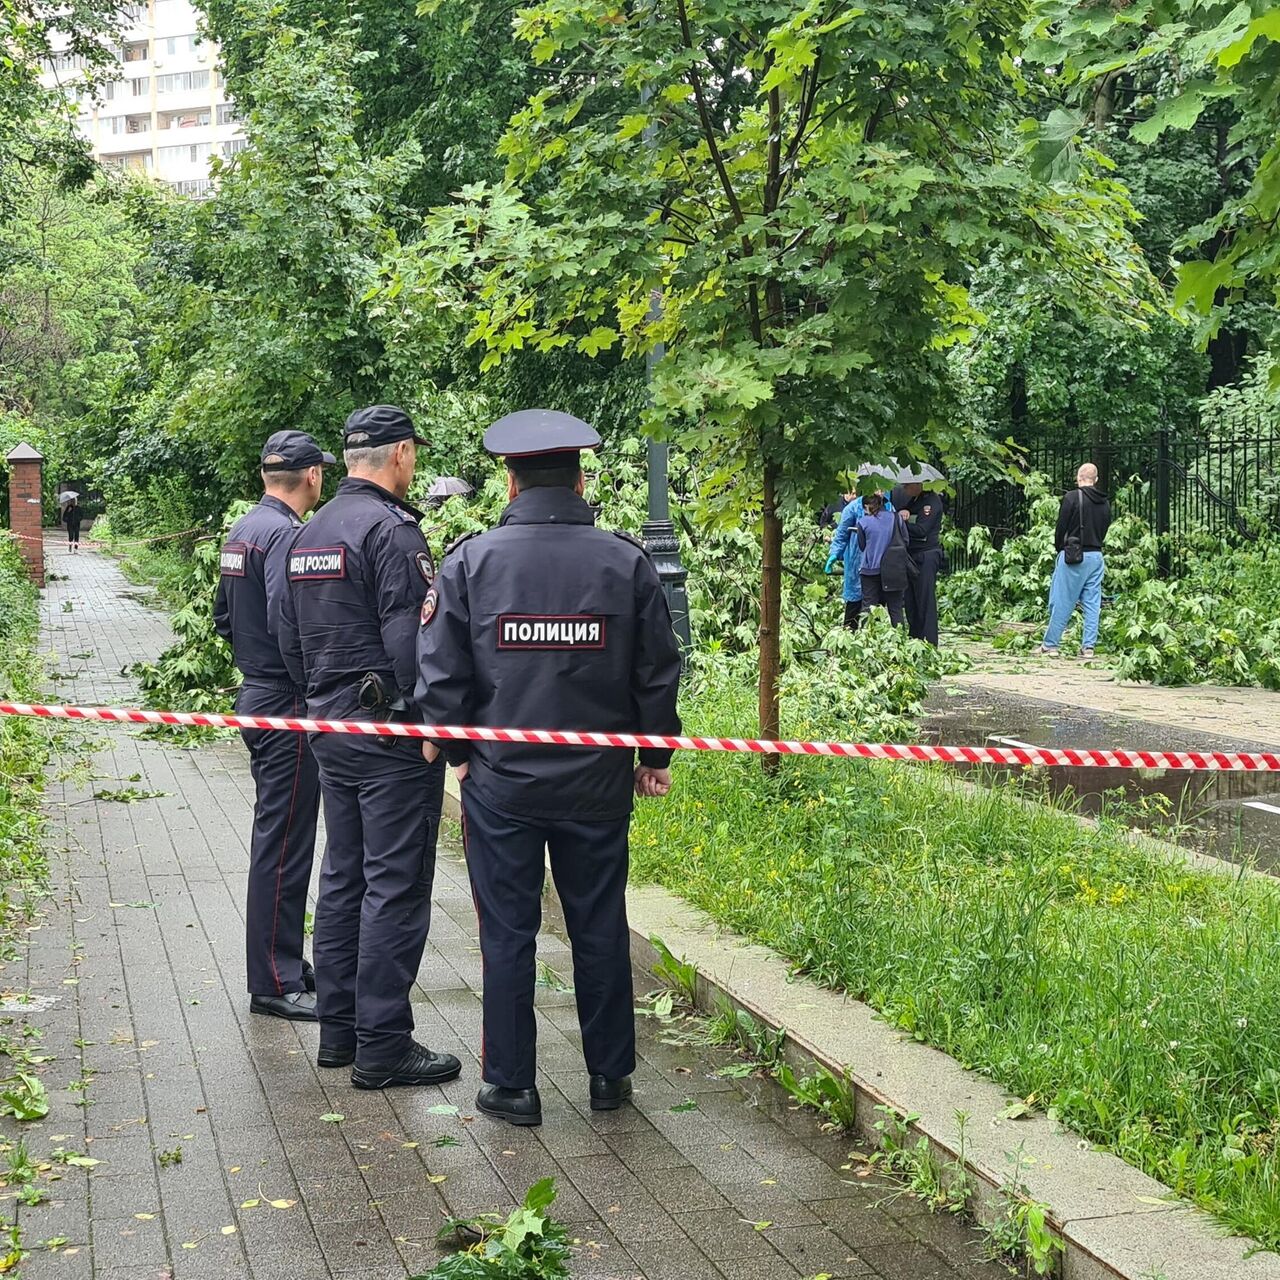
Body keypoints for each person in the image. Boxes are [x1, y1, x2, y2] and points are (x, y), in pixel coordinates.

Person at [415, 408, 683, 1128]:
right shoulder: (625, 561)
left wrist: (462, 758)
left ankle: (511, 1087)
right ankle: (608, 1077)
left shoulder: (470, 562)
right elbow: (658, 670)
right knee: (599, 924)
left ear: (509, 480)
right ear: (581, 478)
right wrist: (652, 755)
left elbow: (442, 676)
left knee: (506, 931)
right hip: (597, 782)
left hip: (501, 785)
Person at [277, 405, 460, 1091]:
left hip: (327, 728)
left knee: (343, 875)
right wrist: (429, 726)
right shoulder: (391, 531)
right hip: (388, 735)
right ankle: (383, 1046)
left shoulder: (308, 534)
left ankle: (339, 1033)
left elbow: (287, 638)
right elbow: (412, 644)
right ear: (402, 454)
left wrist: (322, 703)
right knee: (395, 885)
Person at [213, 431, 333, 1021]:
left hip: (256, 694)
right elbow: (294, 625)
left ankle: (283, 960)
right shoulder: (287, 536)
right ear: (311, 476)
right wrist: (307, 687)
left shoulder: (242, 531)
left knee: (280, 837)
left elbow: (222, 617)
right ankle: (275, 979)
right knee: (284, 843)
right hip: (285, 703)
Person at [1039, 464, 1112, 659]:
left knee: (1062, 600)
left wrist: (1059, 548)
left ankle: (1051, 645)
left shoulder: (1071, 497)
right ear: (1095, 480)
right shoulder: (1104, 502)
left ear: (1078, 477)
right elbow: (1104, 528)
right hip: (1096, 556)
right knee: (1092, 603)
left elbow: (1060, 527)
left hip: (1074, 556)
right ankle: (1088, 647)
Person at [891, 481, 946, 646]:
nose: (905, 489)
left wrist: (902, 523)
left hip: (926, 554)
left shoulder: (931, 502)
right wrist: (903, 512)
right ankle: (915, 638)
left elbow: (922, 529)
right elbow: (905, 513)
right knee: (910, 599)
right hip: (912, 554)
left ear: (918, 484)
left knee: (924, 598)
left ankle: (929, 641)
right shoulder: (915, 499)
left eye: (908, 485)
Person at [857, 491, 908, 626]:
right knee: (895, 609)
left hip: (870, 570)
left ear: (867, 506)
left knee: (868, 607)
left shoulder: (863, 522)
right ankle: (899, 641)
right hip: (894, 570)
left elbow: (862, 546)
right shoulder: (896, 518)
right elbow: (905, 540)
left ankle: (867, 639)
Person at [825, 494, 872, 629]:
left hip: (877, 560)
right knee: (854, 601)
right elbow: (841, 534)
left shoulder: (887, 507)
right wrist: (834, 554)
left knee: (874, 604)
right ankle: (849, 633)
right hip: (856, 559)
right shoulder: (853, 508)